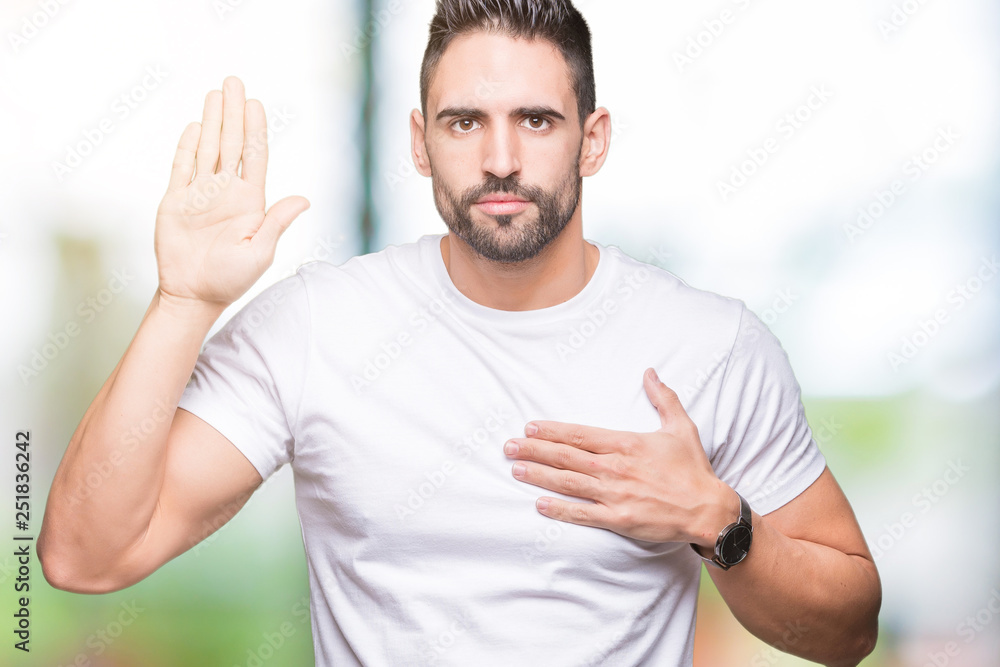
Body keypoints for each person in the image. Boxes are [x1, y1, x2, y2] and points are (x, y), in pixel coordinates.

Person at [39, 1, 881, 665]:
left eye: (538, 121)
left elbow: (849, 628)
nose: (502, 158)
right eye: (465, 122)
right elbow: (84, 556)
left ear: (594, 140)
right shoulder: (315, 326)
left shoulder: (713, 345)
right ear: (419, 141)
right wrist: (183, 301)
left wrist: (718, 518)